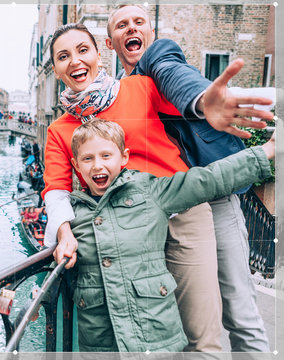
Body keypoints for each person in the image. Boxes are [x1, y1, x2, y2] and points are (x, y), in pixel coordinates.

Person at [42, 23, 274, 352]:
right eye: (64, 56)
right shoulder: (59, 129)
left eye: (83, 50)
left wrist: (207, 102)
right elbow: (56, 189)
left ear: (98, 54)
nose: (75, 61)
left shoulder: (138, 88)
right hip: (126, 230)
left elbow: (188, 102)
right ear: (56, 69)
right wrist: (64, 231)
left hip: (181, 210)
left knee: (200, 333)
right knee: (147, 335)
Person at [105, 5, 272, 351]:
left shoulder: (160, 58)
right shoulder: (117, 92)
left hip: (213, 196)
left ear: (149, 33)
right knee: (180, 315)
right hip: (161, 208)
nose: (132, 29)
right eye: (122, 25)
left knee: (239, 309)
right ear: (111, 43)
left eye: (139, 22)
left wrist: (201, 100)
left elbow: (177, 77)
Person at [68, 119, 275, 352]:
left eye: (106, 156)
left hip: (156, 339)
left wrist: (267, 151)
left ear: (124, 157)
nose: (97, 165)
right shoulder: (71, 215)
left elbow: (209, 179)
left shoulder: (150, 191)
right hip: (100, 346)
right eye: (88, 158)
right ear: (76, 164)